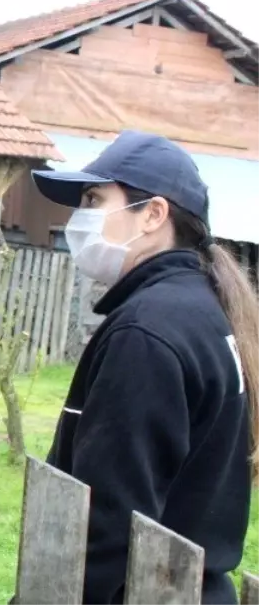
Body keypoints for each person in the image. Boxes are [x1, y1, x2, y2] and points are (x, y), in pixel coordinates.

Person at [31, 130, 257, 605]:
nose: (79, 219)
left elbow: (108, 524)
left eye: (94, 199)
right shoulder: (203, 311)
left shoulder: (147, 331)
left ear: (153, 214)